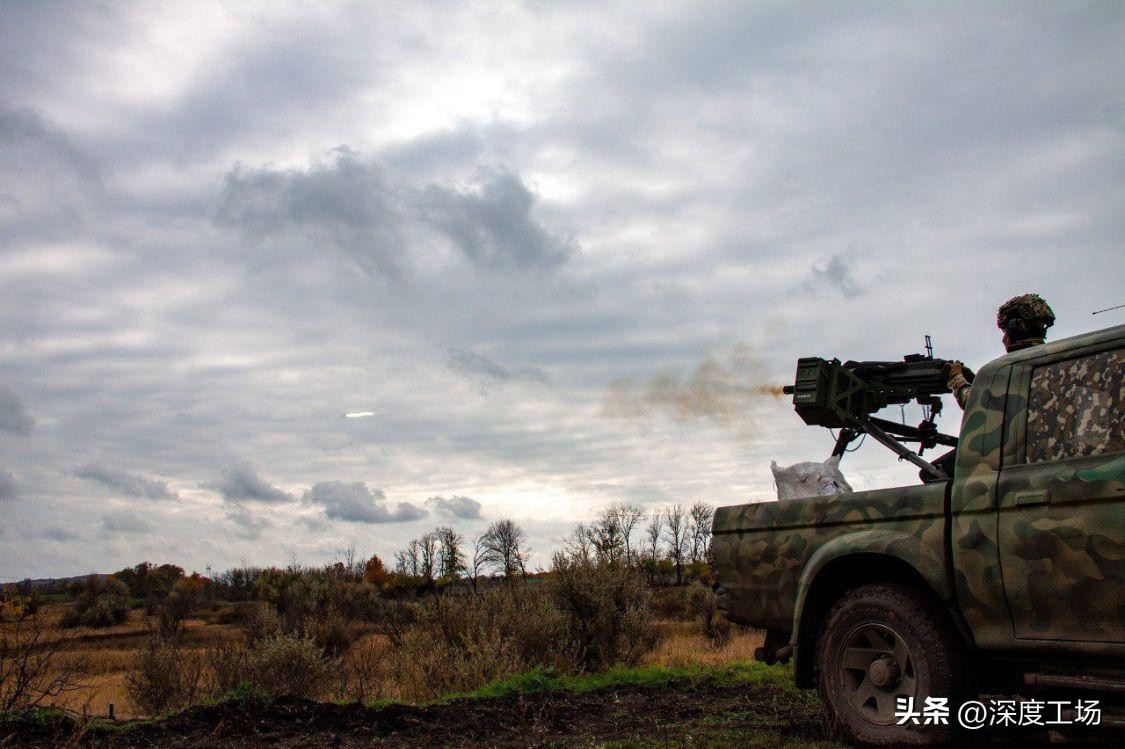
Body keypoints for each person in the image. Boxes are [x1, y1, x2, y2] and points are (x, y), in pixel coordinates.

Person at [947, 293, 1055, 409]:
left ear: (1014, 328)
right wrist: (975, 381)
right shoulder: (1056, 360)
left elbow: (977, 406)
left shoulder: (1014, 367)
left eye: (1005, 330)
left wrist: (956, 378)